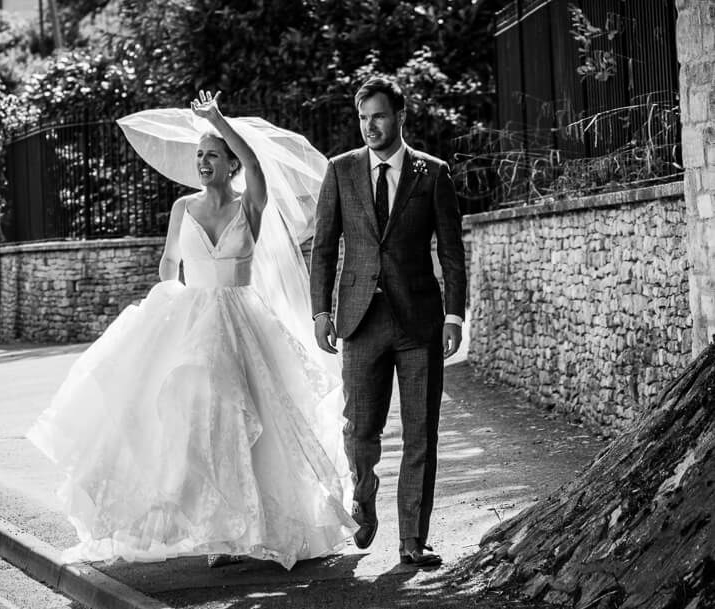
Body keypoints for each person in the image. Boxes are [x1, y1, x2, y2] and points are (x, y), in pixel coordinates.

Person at [26, 92, 351, 571]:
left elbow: (257, 166)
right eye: (198, 155)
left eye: (211, 155)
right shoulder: (182, 208)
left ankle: (255, 525)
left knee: (253, 420)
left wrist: (219, 119)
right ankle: (216, 527)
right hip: (194, 322)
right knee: (200, 423)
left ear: (230, 164)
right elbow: (168, 267)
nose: (202, 162)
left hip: (243, 319)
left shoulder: (251, 205)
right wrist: (172, 308)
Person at [309, 77, 467, 568]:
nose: (369, 126)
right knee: (360, 429)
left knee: (422, 432)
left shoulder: (432, 173)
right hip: (359, 320)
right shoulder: (341, 170)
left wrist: (454, 315)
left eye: (377, 116)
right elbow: (324, 246)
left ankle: (411, 541)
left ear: (400, 116)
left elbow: (451, 251)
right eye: (362, 118)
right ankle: (365, 491)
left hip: (419, 321)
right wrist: (320, 311)